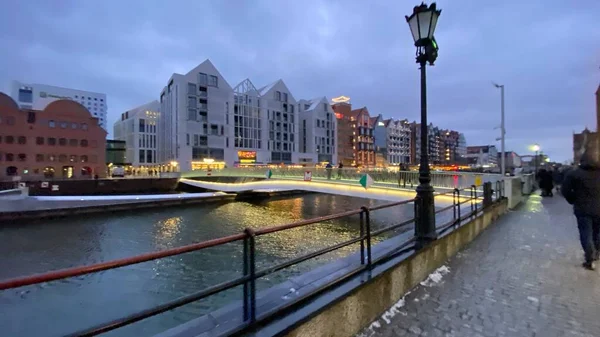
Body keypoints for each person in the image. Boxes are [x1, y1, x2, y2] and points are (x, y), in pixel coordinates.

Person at [561, 151, 600, 270]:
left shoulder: (574, 174)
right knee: (597, 233)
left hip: (583, 208)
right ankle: (596, 252)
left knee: (586, 233)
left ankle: (590, 259)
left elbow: (565, 190)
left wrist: (573, 200)